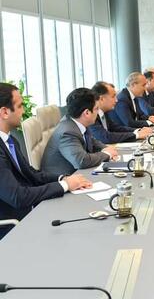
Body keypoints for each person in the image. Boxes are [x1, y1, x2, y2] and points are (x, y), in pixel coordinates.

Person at [0, 83, 92, 239]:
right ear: (5, 112)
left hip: (31, 211)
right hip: (14, 227)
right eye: (20, 106)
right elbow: (18, 197)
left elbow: (32, 174)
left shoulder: (10, 141)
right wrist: (65, 186)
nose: (23, 111)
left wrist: (63, 179)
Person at [41, 88, 118, 176]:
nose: (98, 113)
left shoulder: (78, 122)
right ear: (87, 113)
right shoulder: (67, 132)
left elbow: (92, 141)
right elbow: (81, 161)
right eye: (96, 109)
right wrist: (107, 154)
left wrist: (105, 148)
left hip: (77, 174)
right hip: (62, 179)